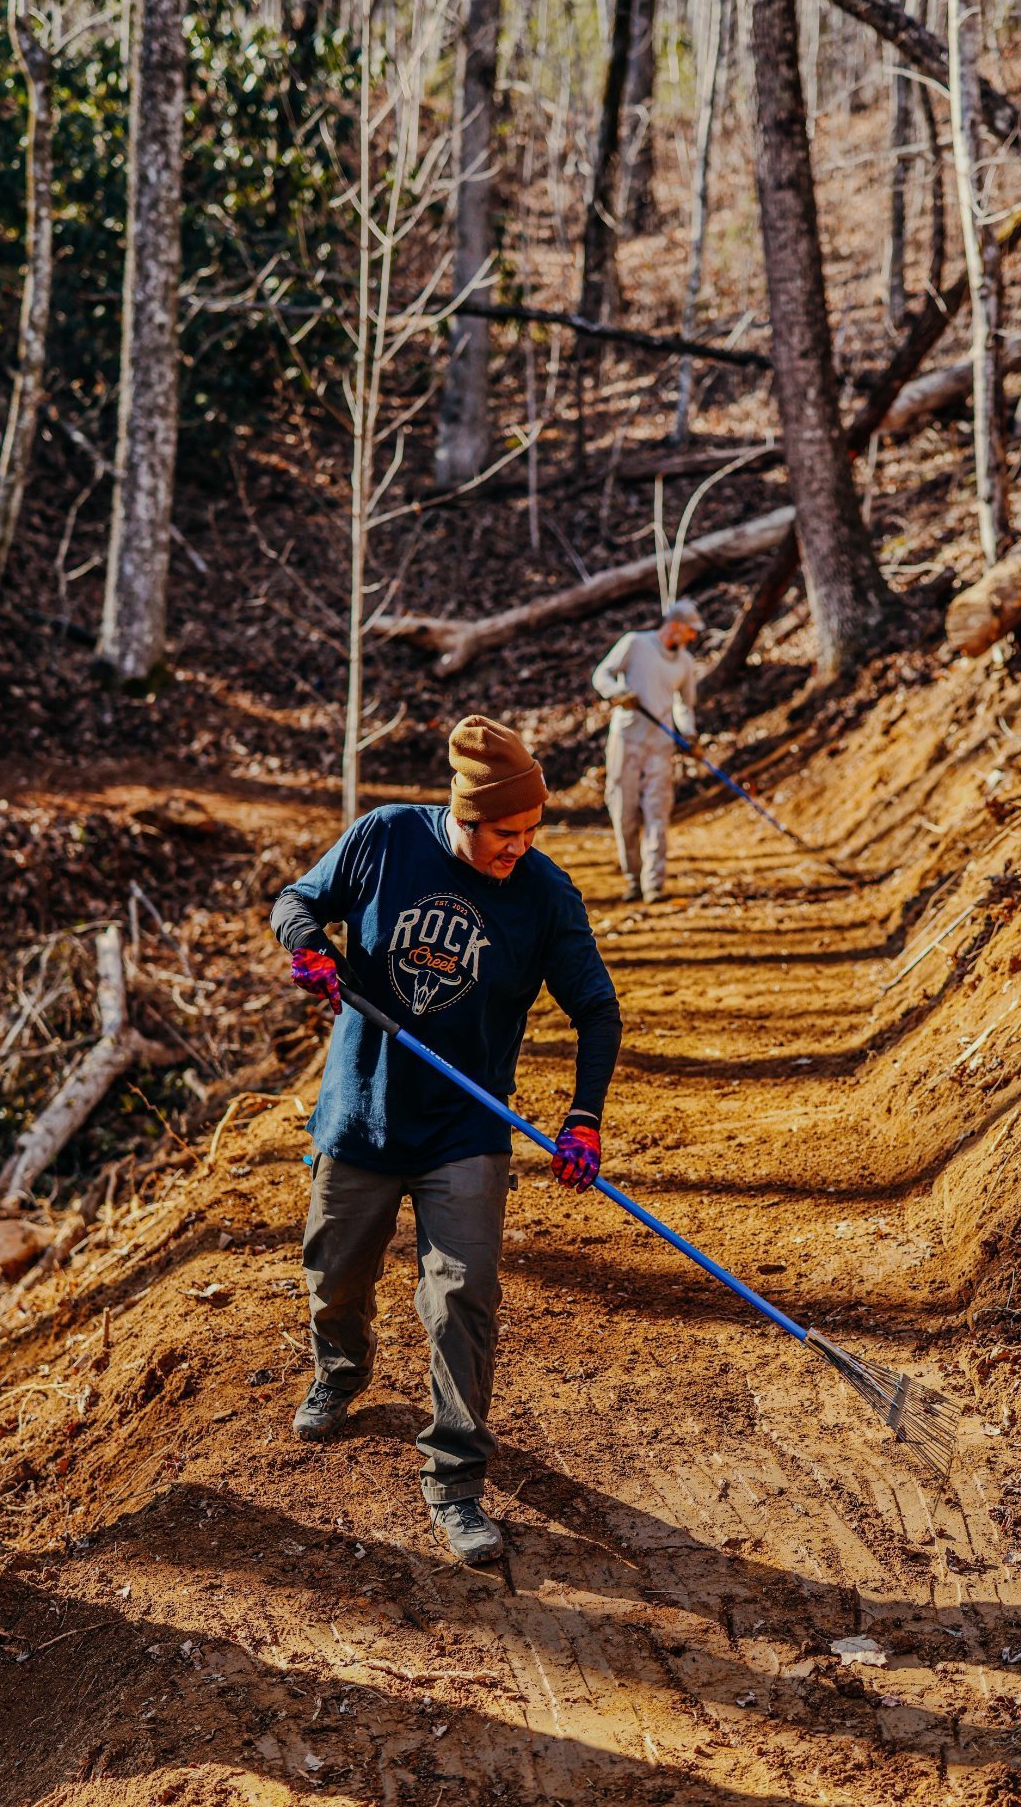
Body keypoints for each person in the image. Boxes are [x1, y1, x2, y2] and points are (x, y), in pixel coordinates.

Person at [271, 715, 621, 1567]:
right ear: (461, 817)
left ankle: (456, 1478)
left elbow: (597, 1011)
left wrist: (583, 1117)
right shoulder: (387, 837)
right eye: (506, 833)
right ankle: (341, 1370)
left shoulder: (544, 894)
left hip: (466, 1129)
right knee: (334, 1272)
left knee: (462, 1297)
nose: (521, 847)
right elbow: (296, 902)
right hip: (360, 1113)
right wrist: (310, 949)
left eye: (533, 830)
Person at [592, 598, 703, 903]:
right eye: (691, 630)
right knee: (624, 811)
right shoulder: (635, 644)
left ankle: (654, 883)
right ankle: (633, 879)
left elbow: (684, 706)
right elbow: (601, 675)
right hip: (627, 739)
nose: (693, 637)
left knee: (657, 812)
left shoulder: (685, 663)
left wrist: (690, 735)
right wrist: (619, 694)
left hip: (660, 746)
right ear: (676, 626)